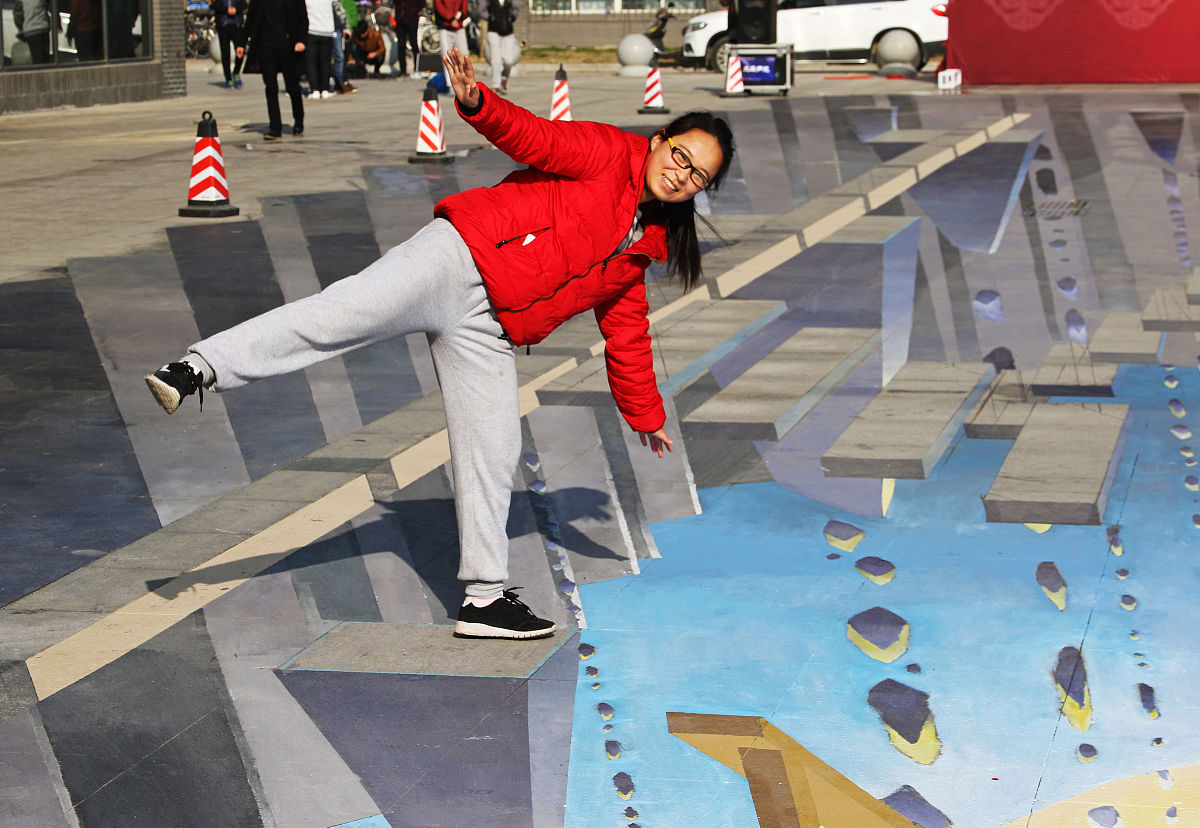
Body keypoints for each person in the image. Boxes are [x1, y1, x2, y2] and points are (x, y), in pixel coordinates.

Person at [144, 47, 734, 641]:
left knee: (493, 449)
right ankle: (198, 367)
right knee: (340, 315)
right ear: (660, 140)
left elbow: (627, 332)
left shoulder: (646, 244)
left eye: (697, 175)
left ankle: (483, 600)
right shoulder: (609, 152)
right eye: (681, 155)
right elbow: (540, 139)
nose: (682, 174)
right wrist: (479, 105)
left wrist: (645, 414)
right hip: (458, 259)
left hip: (490, 329)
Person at [236, 0, 307, 140]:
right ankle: (275, 128)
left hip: (288, 45)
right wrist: (241, 43)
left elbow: (303, 18)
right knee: (271, 87)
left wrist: (301, 41)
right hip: (266, 46)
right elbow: (251, 18)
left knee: (292, 86)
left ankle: (298, 120)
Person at [480, 0, 517, 94]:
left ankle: (504, 78)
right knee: (496, 60)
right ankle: (495, 85)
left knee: (509, 60)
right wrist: (489, 18)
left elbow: (516, 8)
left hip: (508, 31)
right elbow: (481, 9)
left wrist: (511, 17)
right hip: (493, 30)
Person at [210, 0, 247, 88]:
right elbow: (213, 5)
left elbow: (244, 4)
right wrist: (226, 10)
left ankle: (236, 72)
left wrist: (236, 9)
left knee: (240, 50)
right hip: (223, 25)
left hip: (236, 25)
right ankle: (228, 78)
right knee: (225, 52)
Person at [304, 0, 337, 97]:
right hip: (327, 30)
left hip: (312, 30)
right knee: (325, 62)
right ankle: (325, 89)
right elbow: (338, 9)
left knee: (311, 62)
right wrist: (345, 26)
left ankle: (314, 89)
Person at [393, 0, 422, 76]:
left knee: (414, 44)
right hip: (400, 19)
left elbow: (422, 3)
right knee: (401, 45)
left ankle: (417, 67)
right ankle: (402, 69)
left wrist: (414, 9)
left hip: (412, 18)